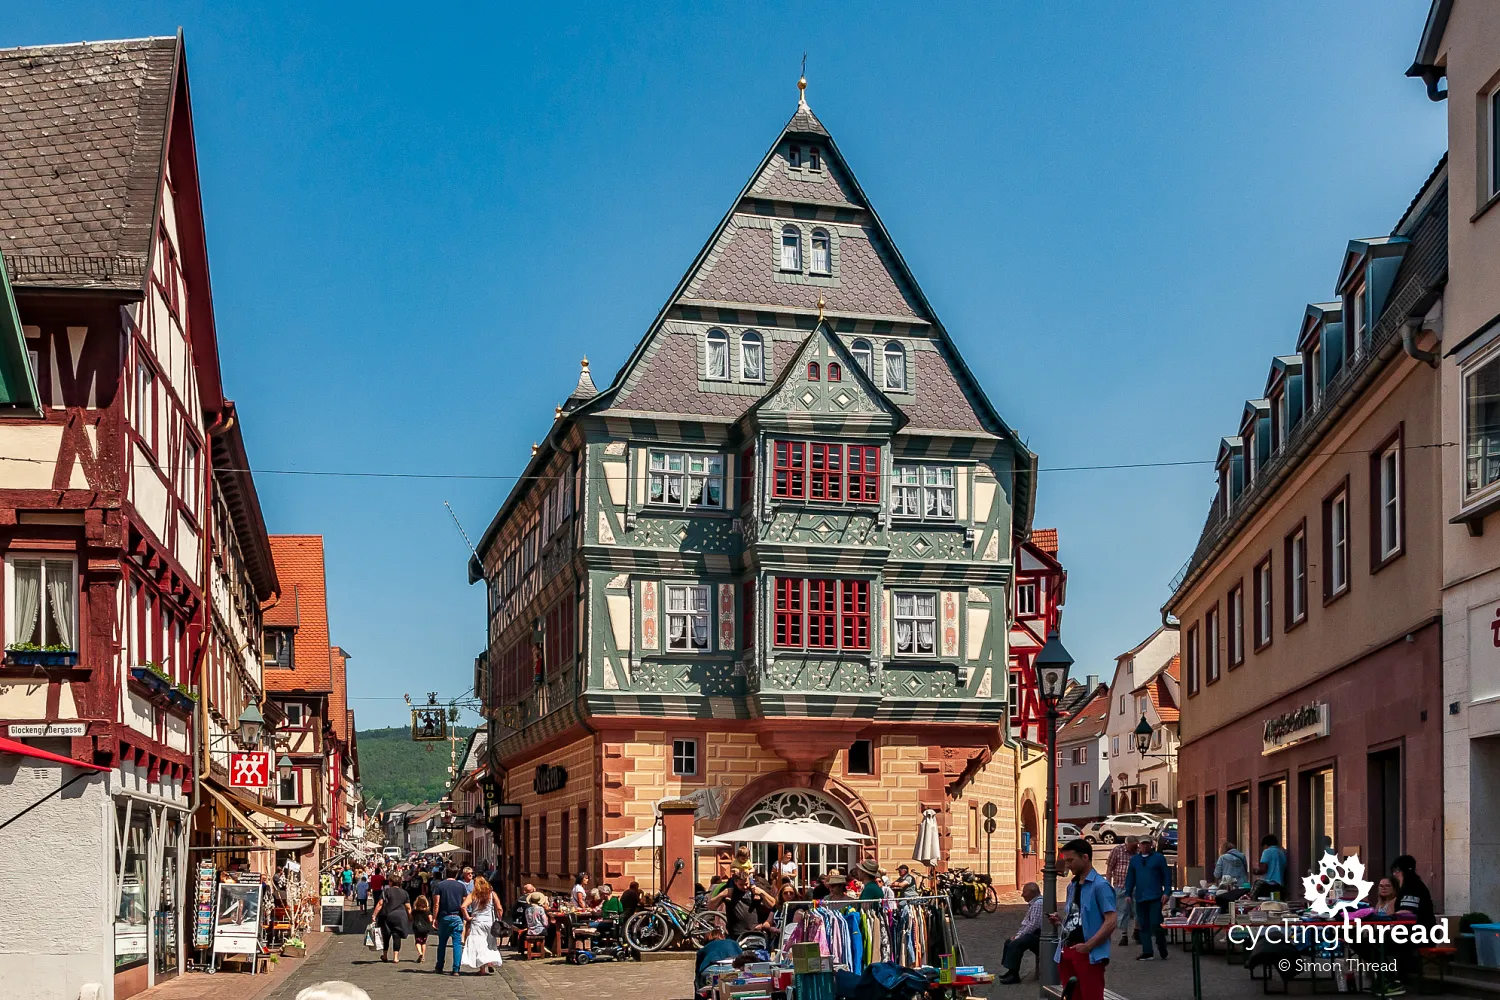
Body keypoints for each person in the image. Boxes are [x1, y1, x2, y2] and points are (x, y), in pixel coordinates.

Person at [1049, 839, 1117, 1000]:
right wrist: (1061, 921)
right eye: (1066, 861)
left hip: (1088, 954)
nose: (1068, 865)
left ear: (1085, 857)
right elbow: (1077, 916)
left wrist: (1089, 946)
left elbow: (1111, 921)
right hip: (1066, 951)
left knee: (1091, 996)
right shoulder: (1072, 886)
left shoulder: (1101, 886)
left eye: (1071, 860)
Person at [1124, 836, 1171, 961]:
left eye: (1147, 844)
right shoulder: (1135, 860)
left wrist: (1167, 892)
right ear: (1139, 845)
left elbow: (1166, 876)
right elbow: (1130, 877)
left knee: (1156, 923)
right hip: (1140, 897)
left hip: (1155, 896)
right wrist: (1128, 893)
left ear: (1151, 845)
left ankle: (1162, 947)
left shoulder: (1159, 858)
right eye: (1142, 844)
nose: (1144, 846)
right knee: (1143, 925)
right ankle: (1147, 951)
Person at [997, 881, 1044, 984]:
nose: (1022, 895)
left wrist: (1019, 937)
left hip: (1039, 935)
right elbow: (1027, 924)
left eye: (1024, 892)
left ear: (1032, 893)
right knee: (1009, 942)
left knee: (1016, 944)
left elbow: (1033, 925)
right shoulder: (1034, 903)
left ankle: (1014, 976)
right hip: (1034, 933)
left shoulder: (1038, 904)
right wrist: (1018, 935)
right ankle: (1011, 970)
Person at [708, 869, 775, 940]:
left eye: (746, 884)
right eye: (741, 885)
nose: (745, 887)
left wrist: (762, 893)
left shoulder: (755, 889)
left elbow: (773, 905)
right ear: (735, 882)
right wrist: (722, 894)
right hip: (735, 934)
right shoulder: (730, 891)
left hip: (755, 932)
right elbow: (711, 907)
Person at [430, 866, 469, 976]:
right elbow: (464, 904)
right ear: (456, 874)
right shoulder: (461, 886)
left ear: (446, 873)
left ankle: (439, 966)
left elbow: (436, 904)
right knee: (457, 944)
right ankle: (456, 969)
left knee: (442, 942)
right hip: (457, 917)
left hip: (444, 917)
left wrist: (434, 918)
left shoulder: (439, 886)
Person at [461, 876, 504, 974]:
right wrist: (499, 919)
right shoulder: (492, 894)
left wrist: (467, 917)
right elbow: (499, 908)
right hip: (490, 922)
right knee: (489, 942)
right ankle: (489, 962)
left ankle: (482, 970)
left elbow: (463, 906)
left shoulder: (473, 895)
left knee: (479, 944)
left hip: (477, 922)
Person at [1105, 836, 1137, 947]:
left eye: (1135, 847)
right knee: (1123, 911)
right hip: (1120, 885)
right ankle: (1124, 935)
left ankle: (1137, 932)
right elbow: (1109, 868)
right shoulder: (1117, 850)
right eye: (1132, 847)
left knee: (1137, 910)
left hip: (1136, 886)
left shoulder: (1138, 851)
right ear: (1126, 844)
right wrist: (1108, 885)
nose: (1134, 849)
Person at [371, 878, 411, 963]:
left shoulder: (386, 891)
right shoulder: (404, 893)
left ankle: (385, 955)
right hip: (400, 916)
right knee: (397, 935)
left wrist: (374, 915)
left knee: (386, 935)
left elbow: (380, 903)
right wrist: (410, 917)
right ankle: (395, 957)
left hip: (387, 915)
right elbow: (408, 907)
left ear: (391, 883)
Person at [694, 923, 743, 990]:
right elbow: (742, 958)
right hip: (731, 969)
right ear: (722, 936)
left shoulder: (704, 949)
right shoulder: (732, 942)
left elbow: (698, 971)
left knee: (707, 989)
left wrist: (698, 987)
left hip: (711, 971)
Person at [1391, 855, 1436, 926]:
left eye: (1397, 870)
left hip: (1417, 933)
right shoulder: (1414, 886)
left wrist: (1389, 920)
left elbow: (1406, 913)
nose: (1394, 874)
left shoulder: (1412, 888)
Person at [1255, 834, 1288, 899]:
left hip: (1268, 885)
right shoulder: (1282, 852)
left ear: (1265, 845)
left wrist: (1255, 871)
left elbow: (1263, 869)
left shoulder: (1267, 851)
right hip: (1280, 886)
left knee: (1266, 905)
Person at [411, 892, 435, 964]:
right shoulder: (427, 911)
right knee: (423, 942)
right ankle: (423, 956)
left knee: (418, 942)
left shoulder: (415, 911)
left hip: (417, 928)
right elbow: (430, 919)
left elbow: (411, 918)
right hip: (425, 928)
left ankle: (420, 953)